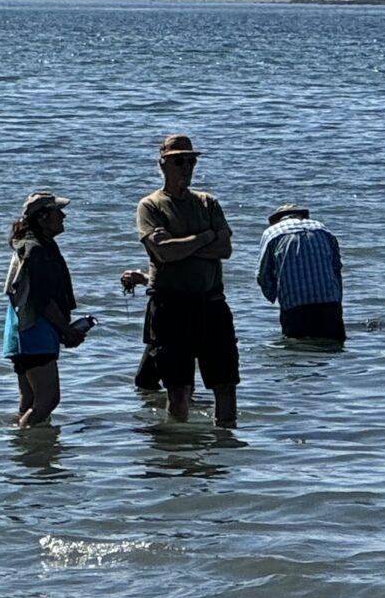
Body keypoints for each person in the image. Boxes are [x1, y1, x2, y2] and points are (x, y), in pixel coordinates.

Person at [136, 134, 239, 426]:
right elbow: (165, 253)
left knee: (225, 385)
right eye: (179, 160)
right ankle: (177, 454)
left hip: (212, 304)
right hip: (171, 307)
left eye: (191, 160)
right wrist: (205, 237)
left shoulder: (207, 202)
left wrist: (185, 246)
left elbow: (225, 249)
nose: (186, 166)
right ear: (163, 164)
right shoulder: (151, 206)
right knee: (178, 390)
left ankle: (224, 449)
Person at [2, 191, 84, 427]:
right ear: (42, 218)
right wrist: (66, 329)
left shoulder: (33, 244)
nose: (64, 215)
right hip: (34, 331)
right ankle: (26, 437)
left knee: (29, 398)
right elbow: (41, 299)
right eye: (58, 211)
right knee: (48, 400)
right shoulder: (36, 249)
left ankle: (28, 455)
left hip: (20, 332)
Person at [257, 203, 346, 341]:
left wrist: (273, 295)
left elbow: (263, 275)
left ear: (278, 219)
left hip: (294, 305)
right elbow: (336, 268)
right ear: (302, 216)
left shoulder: (271, 233)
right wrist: (337, 299)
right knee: (333, 347)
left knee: (297, 350)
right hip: (329, 302)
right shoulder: (323, 229)